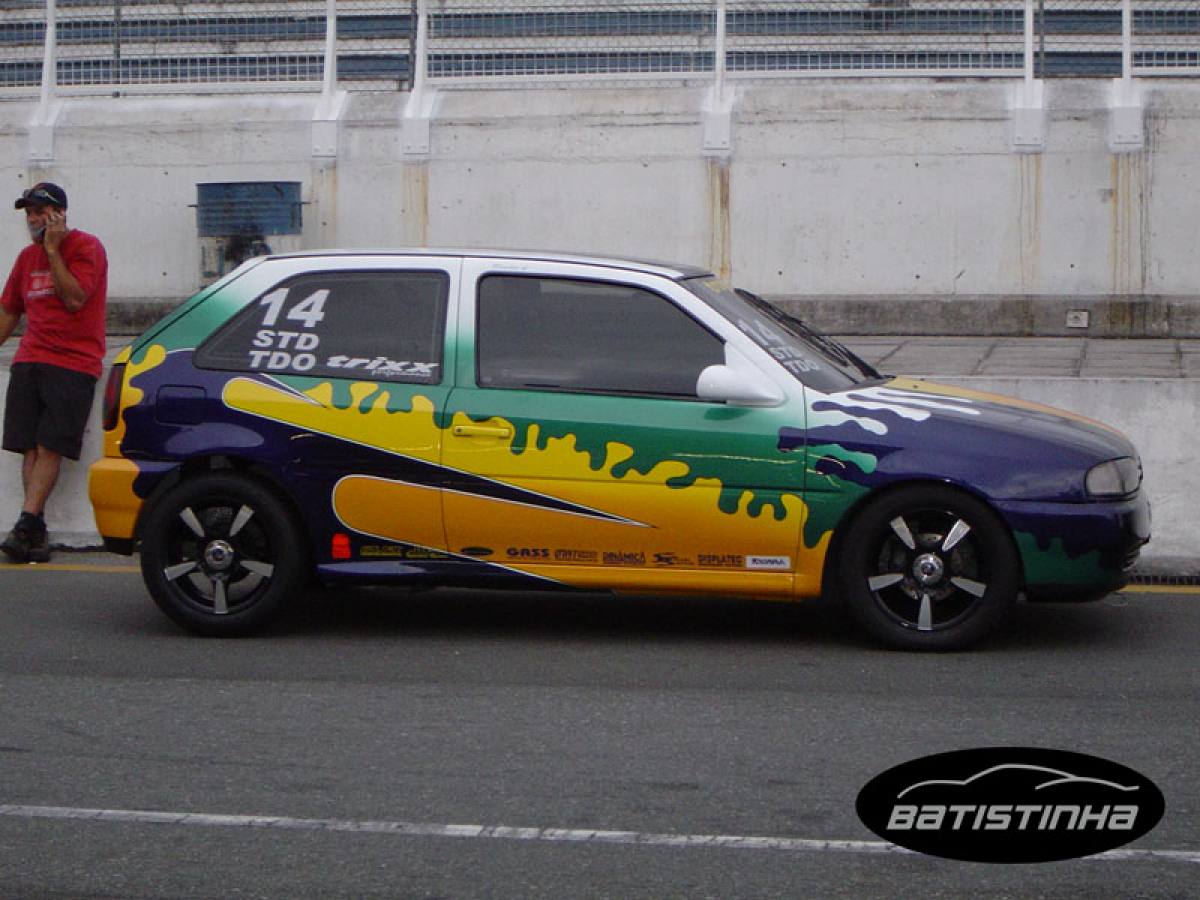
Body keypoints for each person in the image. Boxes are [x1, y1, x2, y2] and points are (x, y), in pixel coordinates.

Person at [0, 182, 108, 563]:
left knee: (50, 445)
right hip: (31, 358)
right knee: (29, 446)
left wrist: (52, 250)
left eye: (40, 212)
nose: (33, 219)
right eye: (29, 213)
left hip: (72, 362)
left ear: (59, 214)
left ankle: (26, 524)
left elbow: (75, 297)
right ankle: (33, 528)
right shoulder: (25, 259)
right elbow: (9, 311)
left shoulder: (86, 248)